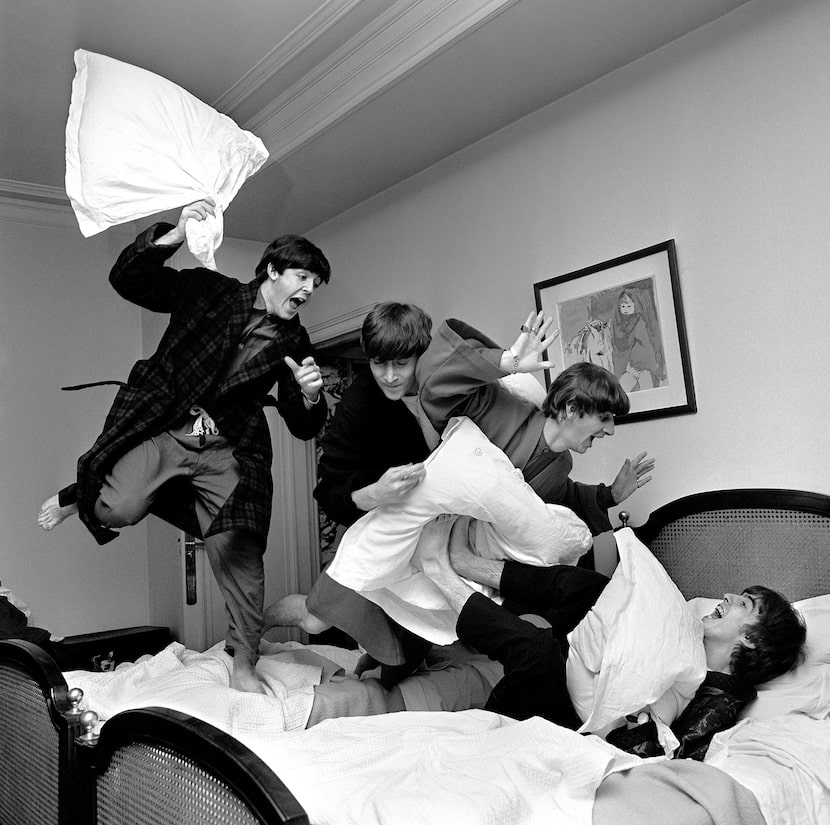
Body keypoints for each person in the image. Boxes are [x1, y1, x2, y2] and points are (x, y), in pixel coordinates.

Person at [37, 199, 331, 694]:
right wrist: (170, 237)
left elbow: (303, 426)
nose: (307, 290)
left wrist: (310, 395)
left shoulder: (297, 343)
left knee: (239, 550)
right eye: (302, 277)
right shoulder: (210, 292)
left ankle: (243, 663)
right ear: (273, 270)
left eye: (315, 286)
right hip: (173, 425)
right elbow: (130, 281)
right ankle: (80, 495)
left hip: (225, 445)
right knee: (117, 508)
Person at [419, 515, 807, 759]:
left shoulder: (719, 699)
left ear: (754, 638)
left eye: (745, 603)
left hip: (572, 729)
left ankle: (441, 574)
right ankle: (469, 564)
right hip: (581, 674)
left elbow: (655, 754)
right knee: (590, 588)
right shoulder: (684, 634)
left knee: (535, 650)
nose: (727, 596)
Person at [264, 302, 437, 680]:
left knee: (406, 642)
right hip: (373, 528)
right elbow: (329, 492)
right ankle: (253, 625)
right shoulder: (359, 405)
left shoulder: (445, 386)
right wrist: (377, 492)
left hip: (429, 536)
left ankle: (378, 665)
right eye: (378, 364)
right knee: (315, 620)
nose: (390, 376)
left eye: (401, 364)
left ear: (422, 355)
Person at [416, 310, 655, 562]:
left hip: (484, 557)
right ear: (572, 409)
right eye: (604, 418)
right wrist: (507, 361)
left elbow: (566, 499)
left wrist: (611, 495)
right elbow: (436, 391)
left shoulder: (563, 463)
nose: (610, 430)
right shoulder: (502, 408)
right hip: (434, 534)